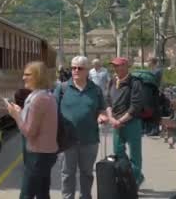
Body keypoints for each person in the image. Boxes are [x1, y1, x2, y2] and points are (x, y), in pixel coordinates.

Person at [55, 56, 108, 199]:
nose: (76, 71)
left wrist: (101, 116)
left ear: (87, 71)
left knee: (87, 173)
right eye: (73, 68)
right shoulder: (62, 88)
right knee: (67, 173)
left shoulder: (95, 90)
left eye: (80, 68)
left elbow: (102, 109)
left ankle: (85, 196)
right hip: (67, 141)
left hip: (89, 140)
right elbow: (52, 110)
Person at [6, 61, 58, 199]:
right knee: (42, 193)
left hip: (38, 155)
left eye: (27, 75)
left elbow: (29, 132)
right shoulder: (43, 95)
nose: (23, 78)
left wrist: (16, 116)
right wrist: (22, 111)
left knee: (26, 195)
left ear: (38, 77)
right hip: (45, 153)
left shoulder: (38, 99)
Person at [106, 57, 145, 187]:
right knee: (118, 152)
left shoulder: (135, 83)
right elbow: (108, 101)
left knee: (135, 155)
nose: (116, 68)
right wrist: (111, 118)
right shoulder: (112, 81)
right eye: (114, 66)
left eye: (119, 66)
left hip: (131, 123)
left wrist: (120, 120)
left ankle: (134, 182)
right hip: (116, 123)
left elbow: (135, 106)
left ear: (126, 66)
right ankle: (131, 174)